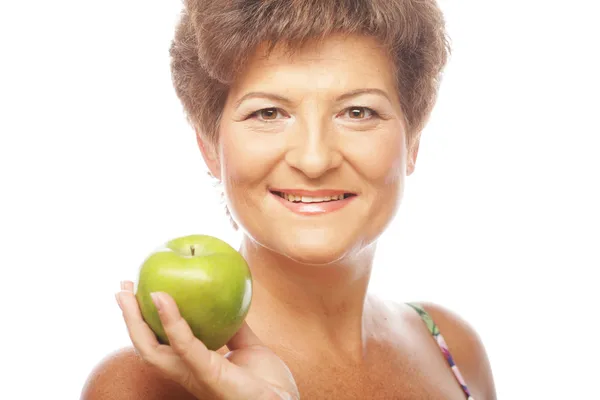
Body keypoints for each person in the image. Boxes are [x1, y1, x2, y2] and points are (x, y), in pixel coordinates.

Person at [81, 0, 496, 399]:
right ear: (210, 145)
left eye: (357, 112)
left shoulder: (453, 349)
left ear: (413, 143)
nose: (314, 160)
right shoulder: (145, 387)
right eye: (268, 114)